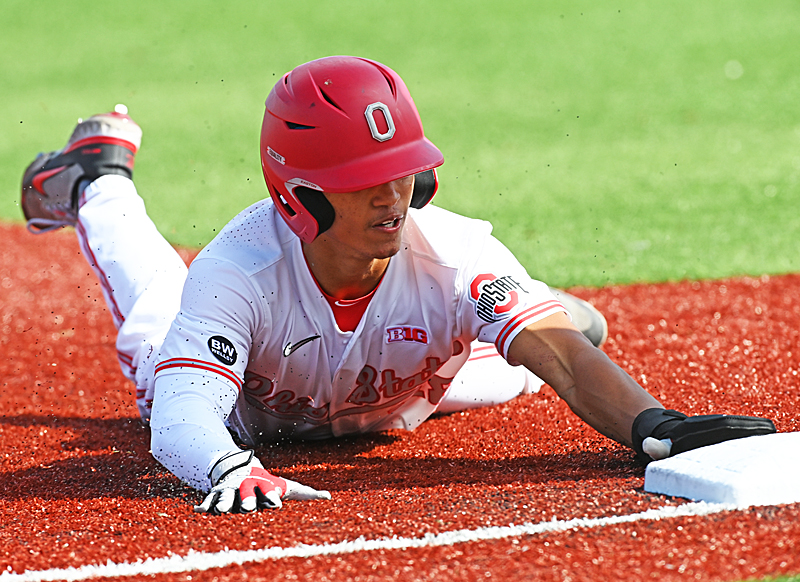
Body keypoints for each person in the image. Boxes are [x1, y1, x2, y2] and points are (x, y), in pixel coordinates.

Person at [21, 56, 776, 514]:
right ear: (302, 194)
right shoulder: (237, 271)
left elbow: (565, 360)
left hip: (404, 383)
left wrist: (654, 425)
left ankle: (536, 300)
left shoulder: (450, 254)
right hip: (254, 409)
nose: (391, 196)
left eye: (399, 173)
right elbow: (180, 421)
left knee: (545, 349)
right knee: (157, 308)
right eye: (362, 182)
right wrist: (227, 467)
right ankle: (98, 178)